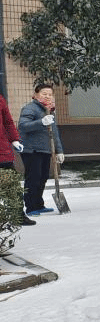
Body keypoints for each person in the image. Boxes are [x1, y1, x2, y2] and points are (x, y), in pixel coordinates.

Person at [18, 84, 64, 217]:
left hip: (45, 149)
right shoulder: (30, 108)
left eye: (50, 94)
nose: (47, 96)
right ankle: (31, 207)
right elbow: (23, 126)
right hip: (31, 149)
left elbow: (54, 132)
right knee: (33, 178)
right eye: (44, 94)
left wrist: (59, 151)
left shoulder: (49, 110)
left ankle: (39, 204)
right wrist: (41, 122)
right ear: (36, 94)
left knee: (43, 177)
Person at [0, 93, 31, 226]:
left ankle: (18, 216)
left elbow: (8, 121)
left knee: (12, 186)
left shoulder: (0, 99)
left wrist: (14, 139)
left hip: (2, 152)